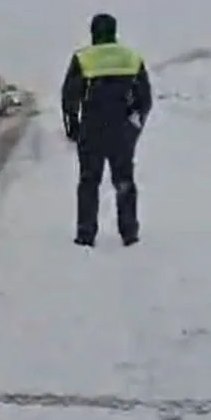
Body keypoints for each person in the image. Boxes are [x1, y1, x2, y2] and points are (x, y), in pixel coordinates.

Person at [60, 13, 153, 247]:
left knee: (89, 181)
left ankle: (86, 233)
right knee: (124, 181)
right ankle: (129, 232)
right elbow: (145, 98)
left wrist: (73, 126)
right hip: (121, 130)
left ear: (93, 32)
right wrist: (135, 125)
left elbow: (70, 96)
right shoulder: (131, 58)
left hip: (92, 129)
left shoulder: (83, 58)